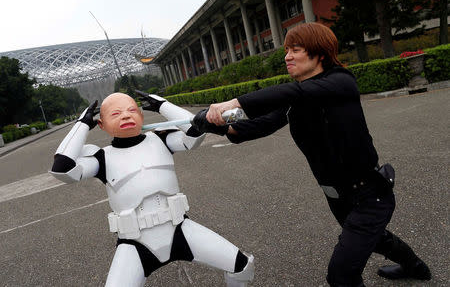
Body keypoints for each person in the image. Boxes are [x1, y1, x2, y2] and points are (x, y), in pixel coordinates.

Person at [193, 22, 431, 287]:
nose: (287, 56)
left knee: (341, 276)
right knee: (377, 239)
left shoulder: (340, 82)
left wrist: (232, 103)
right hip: (338, 197)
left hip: (370, 195)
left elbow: (293, 92)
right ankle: (417, 268)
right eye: (286, 50)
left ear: (319, 53)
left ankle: (413, 267)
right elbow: (254, 127)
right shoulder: (296, 100)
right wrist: (217, 125)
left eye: (295, 49)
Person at [49, 92, 254, 287]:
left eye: (132, 110)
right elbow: (62, 169)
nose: (126, 115)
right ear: (101, 124)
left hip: (180, 229)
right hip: (135, 243)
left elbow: (195, 132)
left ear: (140, 114)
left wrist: (162, 105)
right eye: (116, 113)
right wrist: (82, 125)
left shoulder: (161, 139)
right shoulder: (100, 157)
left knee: (243, 266)